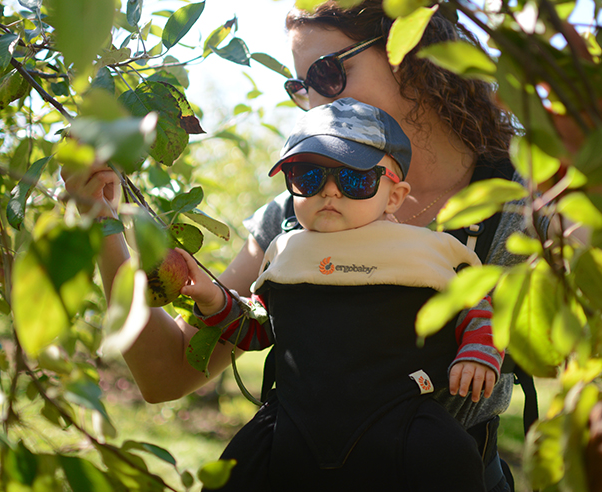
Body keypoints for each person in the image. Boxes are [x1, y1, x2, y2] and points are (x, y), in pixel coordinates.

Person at [61, 0, 549, 490]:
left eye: (328, 74)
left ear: (410, 50)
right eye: (303, 86)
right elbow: (167, 372)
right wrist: (101, 220)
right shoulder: (297, 218)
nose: (318, 101)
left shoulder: (531, 201)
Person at [181, 97, 502, 490]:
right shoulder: (286, 251)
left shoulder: (429, 251)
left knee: (454, 461)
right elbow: (260, 329)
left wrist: (478, 353)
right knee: (231, 473)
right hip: (292, 422)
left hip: (403, 420)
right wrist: (214, 300)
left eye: (355, 179)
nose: (330, 192)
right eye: (308, 177)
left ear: (395, 196)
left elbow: (478, 304)